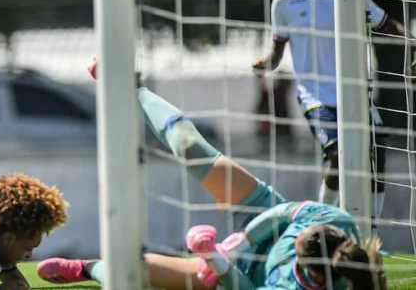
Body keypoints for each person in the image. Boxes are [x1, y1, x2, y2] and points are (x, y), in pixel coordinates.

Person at [37, 58, 386, 290]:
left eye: (294, 249)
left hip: (242, 276)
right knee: (191, 148)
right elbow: (284, 213)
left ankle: (85, 268)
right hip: (263, 216)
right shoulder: (334, 221)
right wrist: (243, 241)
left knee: (137, 269)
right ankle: (130, 86)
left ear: (311, 273)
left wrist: (217, 260)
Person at [252, 0, 415, 221]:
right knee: (339, 157)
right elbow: (277, 51)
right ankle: (321, 220)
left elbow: (385, 23)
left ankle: (372, 229)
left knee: (377, 155)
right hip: (316, 96)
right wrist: (265, 64)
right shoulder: (284, 1)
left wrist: (413, 40)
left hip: (354, 94)